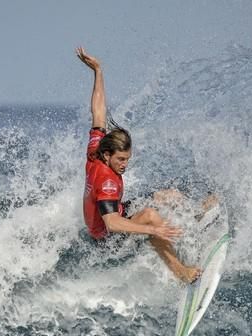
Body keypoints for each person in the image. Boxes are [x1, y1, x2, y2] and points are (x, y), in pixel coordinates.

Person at [76, 47, 201, 283]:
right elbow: (111, 223)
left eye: (127, 159)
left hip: (117, 211)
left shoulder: (95, 150)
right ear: (107, 156)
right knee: (151, 216)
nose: (125, 165)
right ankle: (182, 272)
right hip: (105, 240)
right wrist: (153, 230)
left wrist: (98, 71)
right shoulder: (108, 182)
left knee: (168, 195)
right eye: (120, 160)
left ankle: (196, 220)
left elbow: (98, 111)